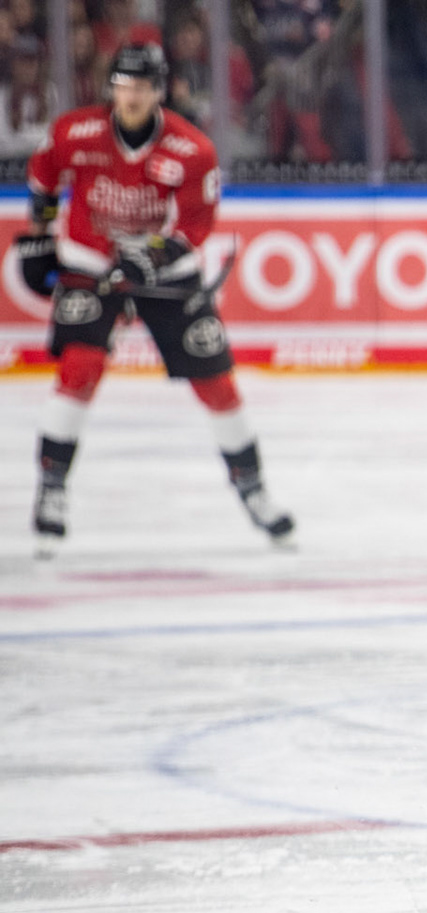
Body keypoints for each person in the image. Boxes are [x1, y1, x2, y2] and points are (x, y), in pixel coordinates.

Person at [17, 42, 295, 557]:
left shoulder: (192, 149)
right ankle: (51, 488)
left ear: (159, 91)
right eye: (124, 85)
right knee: (80, 366)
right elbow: (44, 176)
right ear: (112, 87)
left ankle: (253, 488)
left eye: (143, 86)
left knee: (216, 383)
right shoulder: (75, 132)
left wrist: (154, 255)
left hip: (165, 273)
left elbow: (196, 225)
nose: (132, 96)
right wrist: (40, 235)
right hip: (90, 260)